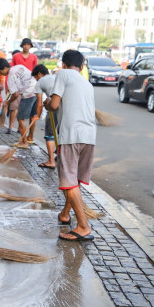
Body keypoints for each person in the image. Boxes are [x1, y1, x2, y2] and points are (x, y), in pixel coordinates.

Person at [44, 50, 96, 241]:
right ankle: (65, 214)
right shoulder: (87, 84)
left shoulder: (63, 74)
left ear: (63, 65)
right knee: (74, 181)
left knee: (68, 181)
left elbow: (55, 104)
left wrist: (48, 103)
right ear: (81, 66)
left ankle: (83, 226)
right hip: (89, 137)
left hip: (71, 135)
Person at [0, 58, 38, 149]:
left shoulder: (10, 77)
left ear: (3, 69)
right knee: (32, 116)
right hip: (37, 91)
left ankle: (24, 142)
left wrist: (7, 102)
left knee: (20, 118)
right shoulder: (19, 67)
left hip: (28, 94)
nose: (1, 74)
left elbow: (15, 94)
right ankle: (30, 137)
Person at [32, 64, 57, 169]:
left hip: (55, 108)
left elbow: (39, 103)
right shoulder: (56, 77)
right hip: (67, 108)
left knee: (49, 134)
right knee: (61, 133)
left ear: (39, 74)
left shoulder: (40, 82)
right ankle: (59, 156)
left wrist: (37, 116)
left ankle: (51, 161)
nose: (36, 80)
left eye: (35, 78)